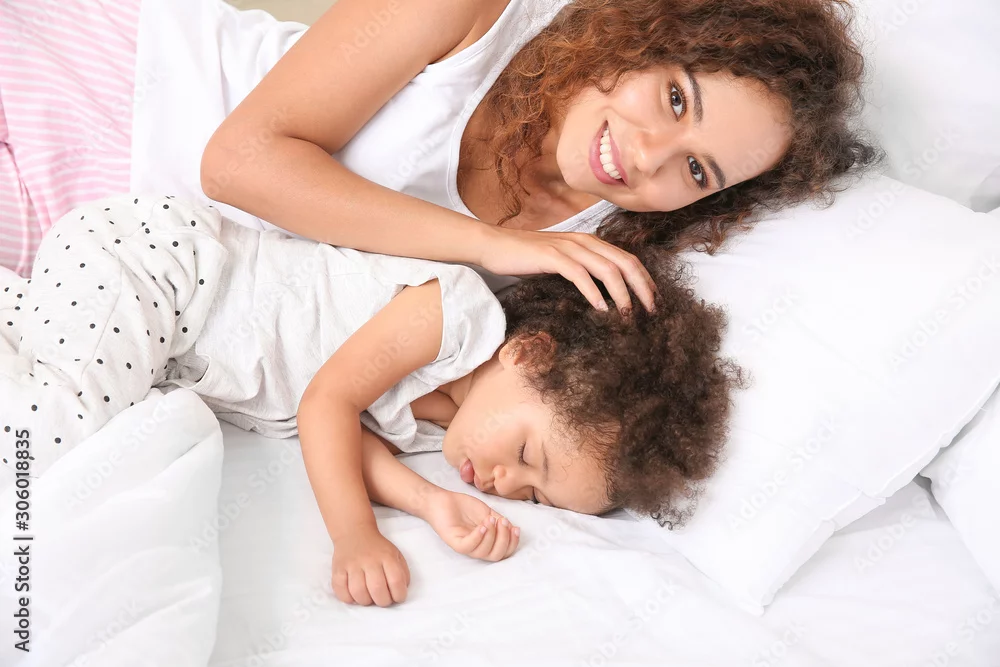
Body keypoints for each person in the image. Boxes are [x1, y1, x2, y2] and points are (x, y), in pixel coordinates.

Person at [0, 194, 739, 606]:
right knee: (54, 438)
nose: (506, 482)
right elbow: (326, 404)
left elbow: (355, 440)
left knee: (73, 403)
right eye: (526, 455)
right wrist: (356, 535)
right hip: (164, 267)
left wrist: (430, 503)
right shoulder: (452, 313)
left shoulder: (448, 426)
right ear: (529, 354)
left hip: (166, 346)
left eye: (533, 495)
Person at [0, 0, 877, 307]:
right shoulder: (472, 10)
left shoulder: (605, 241)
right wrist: (489, 243)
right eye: (676, 98)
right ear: (644, 34)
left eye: (697, 170)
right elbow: (239, 162)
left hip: (138, 258)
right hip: (108, 90)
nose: (647, 158)